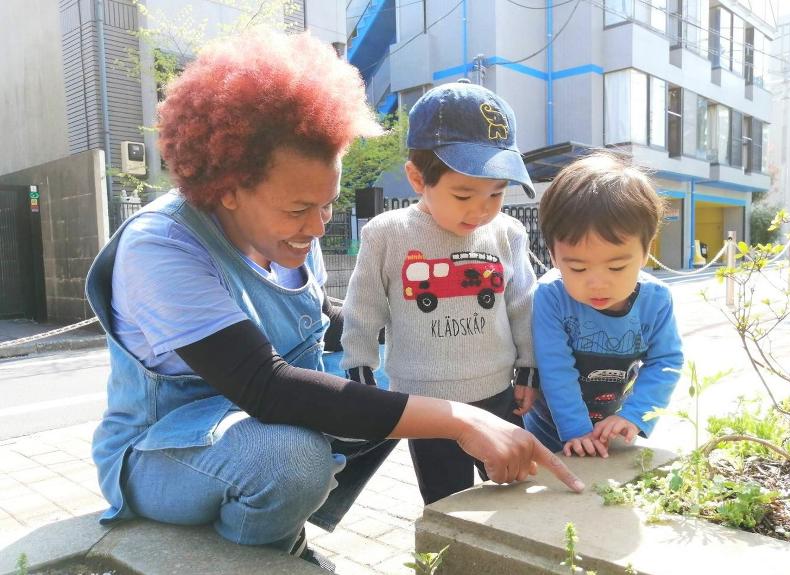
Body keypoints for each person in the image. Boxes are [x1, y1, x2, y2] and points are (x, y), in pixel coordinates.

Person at [84, 31, 584, 570]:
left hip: (256, 424)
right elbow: (265, 386)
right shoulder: (162, 247)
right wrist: (460, 419)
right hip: (165, 453)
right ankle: (271, 553)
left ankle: (271, 520)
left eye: (328, 203)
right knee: (293, 462)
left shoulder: (290, 233)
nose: (318, 226)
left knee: (407, 366)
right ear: (228, 188)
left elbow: (332, 326)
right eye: (300, 207)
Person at [340, 81, 539, 505]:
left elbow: (522, 305)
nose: (482, 209)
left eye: (497, 193)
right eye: (464, 193)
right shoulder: (387, 234)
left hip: (498, 393)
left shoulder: (508, 233)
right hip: (426, 407)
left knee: (512, 495)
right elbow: (363, 309)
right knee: (447, 503)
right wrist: (359, 367)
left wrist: (529, 367)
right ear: (417, 178)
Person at [522, 152, 684, 458]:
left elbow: (666, 361)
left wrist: (634, 415)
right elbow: (556, 368)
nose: (598, 284)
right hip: (548, 427)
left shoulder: (656, 301)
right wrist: (576, 431)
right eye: (579, 269)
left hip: (612, 427)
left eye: (616, 268)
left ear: (646, 252)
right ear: (554, 258)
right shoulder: (551, 296)